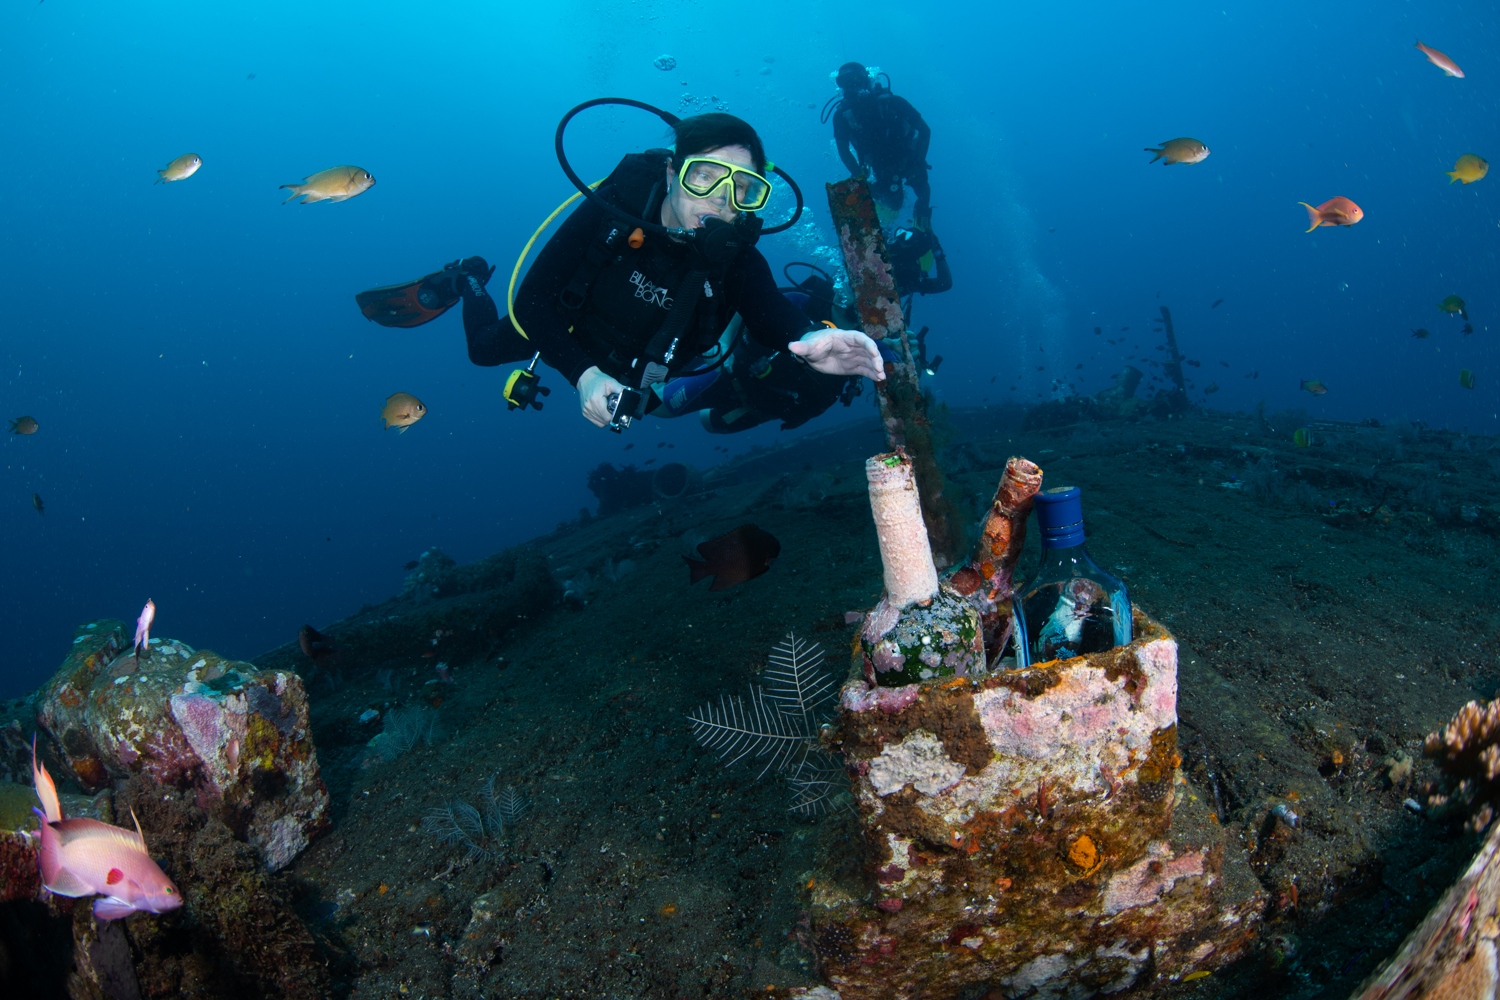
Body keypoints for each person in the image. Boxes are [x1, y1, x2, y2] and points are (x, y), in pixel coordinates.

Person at [358, 113, 883, 434]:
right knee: (481, 352)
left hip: (638, 361)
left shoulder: (737, 257)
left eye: (743, 188)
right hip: (566, 329)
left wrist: (813, 339)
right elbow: (533, 300)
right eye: (704, 176)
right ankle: (465, 278)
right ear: (674, 173)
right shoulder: (617, 207)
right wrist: (582, 374)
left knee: (645, 410)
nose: (722, 200)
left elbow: (770, 313)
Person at [828, 62, 932, 224]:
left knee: (922, 190)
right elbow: (843, 150)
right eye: (845, 82)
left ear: (866, 81)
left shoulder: (894, 102)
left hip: (909, 157)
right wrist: (861, 180)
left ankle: (923, 227)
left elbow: (925, 130)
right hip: (880, 165)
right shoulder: (842, 117)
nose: (852, 86)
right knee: (894, 204)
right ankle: (886, 233)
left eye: (855, 80)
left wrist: (918, 163)